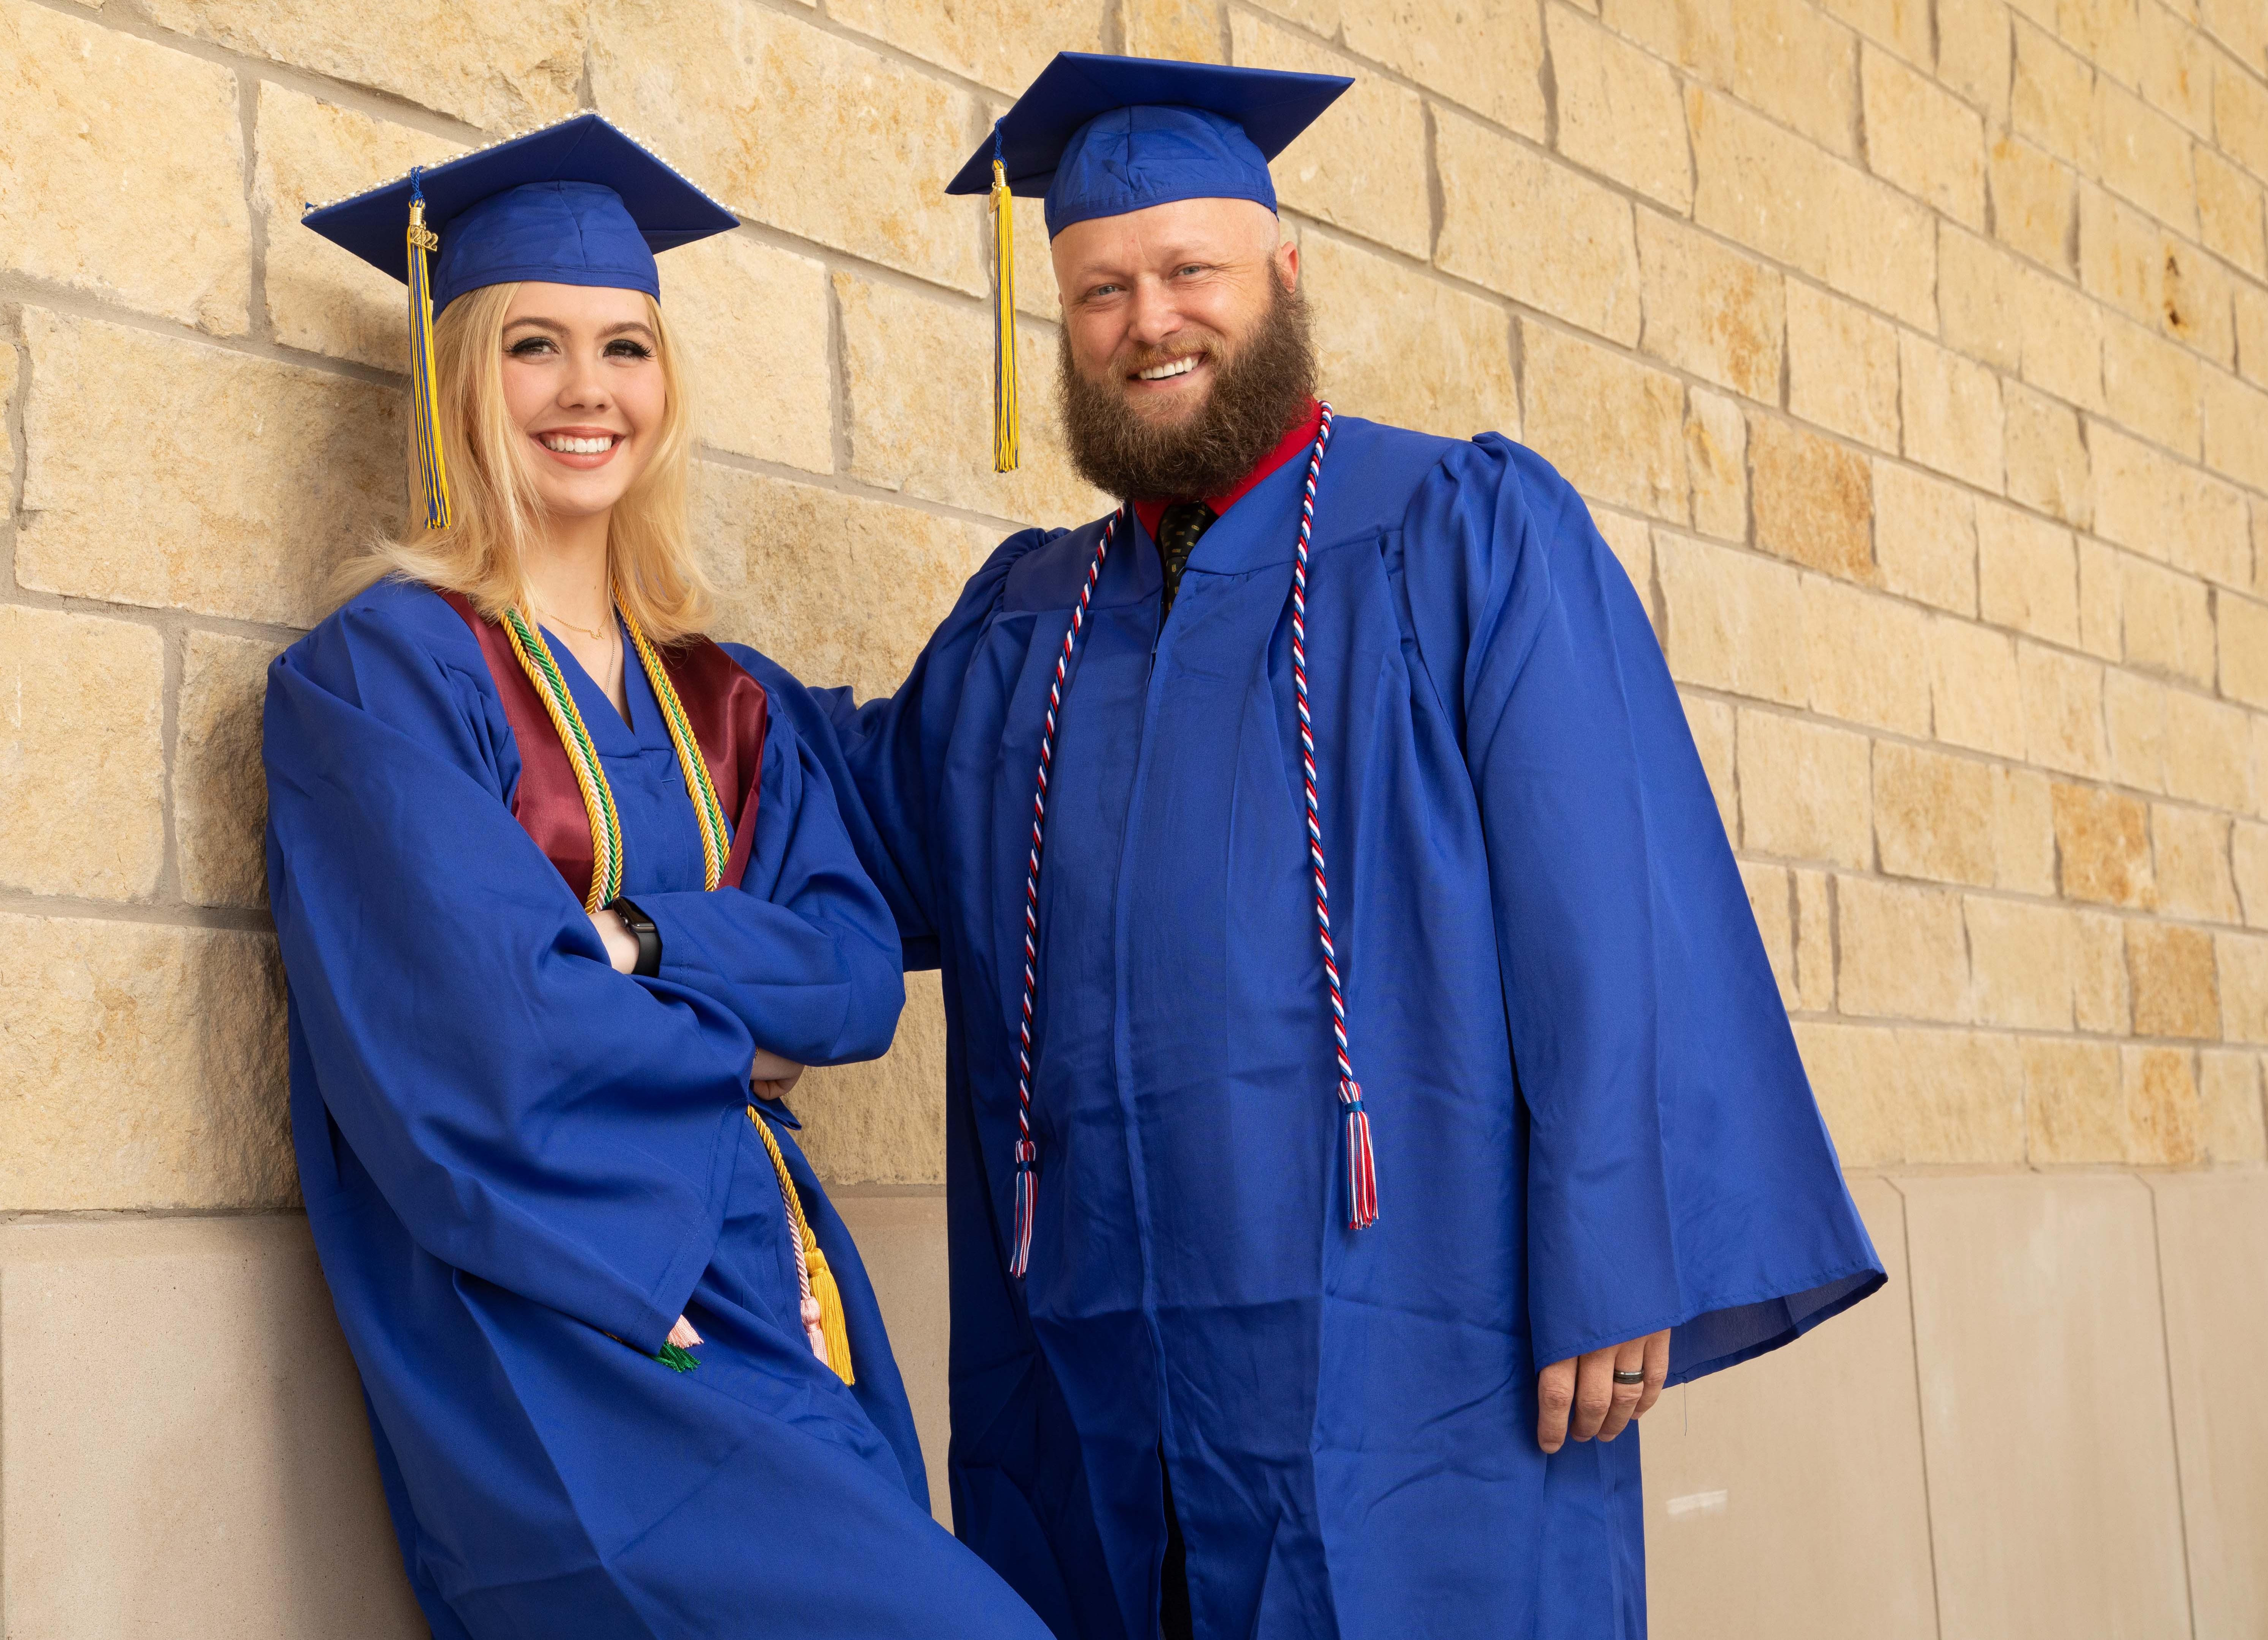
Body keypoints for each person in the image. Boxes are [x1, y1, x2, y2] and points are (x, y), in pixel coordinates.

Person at [753, 54, 1887, 1640]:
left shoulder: (1462, 532)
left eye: (1186, 270)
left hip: (1415, 1351)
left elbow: (1603, 895)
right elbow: (839, 810)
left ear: (1283, 273)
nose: (1147, 320)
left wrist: (1610, 1235)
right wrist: (613, 670)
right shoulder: (1025, 635)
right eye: (1096, 292)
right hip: (1099, 1364)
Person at [263, 115, 1052, 1638]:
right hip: (580, 1308)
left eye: (623, 348)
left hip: (779, 1283)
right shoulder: (381, 679)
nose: (584, 393)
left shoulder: (727, 696)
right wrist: (731, 1024)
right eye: (532, 347)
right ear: (459, 379)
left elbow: (849, 974)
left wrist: (627, 938)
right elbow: (488, 1037)